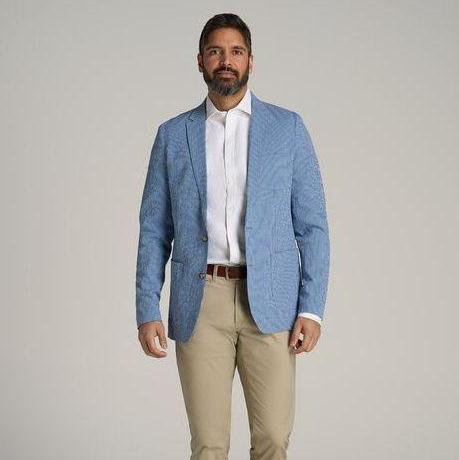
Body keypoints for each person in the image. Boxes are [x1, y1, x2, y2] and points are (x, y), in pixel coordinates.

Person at [135, 12, 330, 460]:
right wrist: (147, 307)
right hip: (200, 301)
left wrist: (311, 308)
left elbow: (313, 226)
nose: (226, 60)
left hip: (272, 302)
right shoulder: (173, 135)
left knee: (273, 438)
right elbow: (154, 228)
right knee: (208, 445)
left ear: (250, 61)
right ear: (200, 61)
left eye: (236, 51)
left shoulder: (287, 128)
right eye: (216, 51)